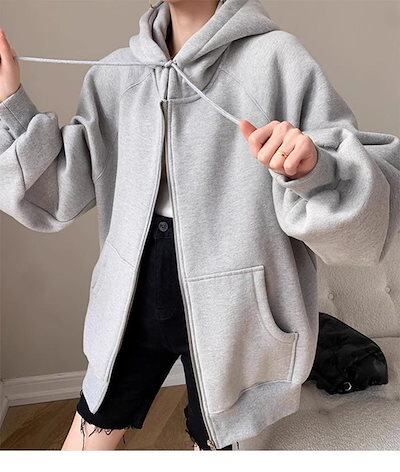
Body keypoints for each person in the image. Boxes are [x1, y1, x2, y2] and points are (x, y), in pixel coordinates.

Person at [0, 0, 399, 452]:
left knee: (215, 441)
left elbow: (363, 203)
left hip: (235, 308)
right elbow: (58, 191)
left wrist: (311, 169)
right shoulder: (114, 75)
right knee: (89, 436)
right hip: (130, 294)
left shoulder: (277, 59)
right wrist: (10, 103)